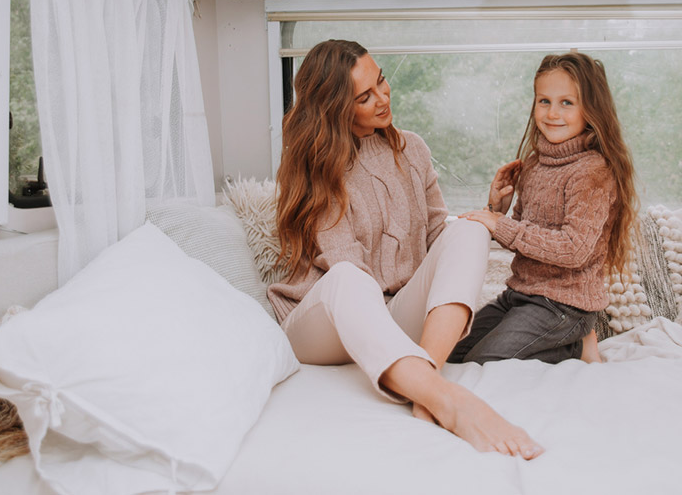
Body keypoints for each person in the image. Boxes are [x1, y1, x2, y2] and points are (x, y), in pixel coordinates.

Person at [268, 39, 543, 460]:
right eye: (364, 97)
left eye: (381, 81)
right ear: (333, 108)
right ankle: (448, 400)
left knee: (469, 230)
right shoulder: (316, 166)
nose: (382, 98)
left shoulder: (411, 149)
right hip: (324, 323)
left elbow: (438, 238)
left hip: (390, 317)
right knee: (349, 277)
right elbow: (346, 265)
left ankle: (425, 384)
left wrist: (490, 212)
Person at [449, 51, 638, 366]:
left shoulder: (593, 171)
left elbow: (574, 250)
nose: (553, 113)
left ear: (591, 109)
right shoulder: (536, 163)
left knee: (485, 361)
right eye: (544, 101)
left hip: (563, 305)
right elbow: (525, 235)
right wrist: (497, 208)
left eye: (567, 102)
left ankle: (577, 347)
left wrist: (500, 224)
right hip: (519, 295)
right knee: (452, 353)